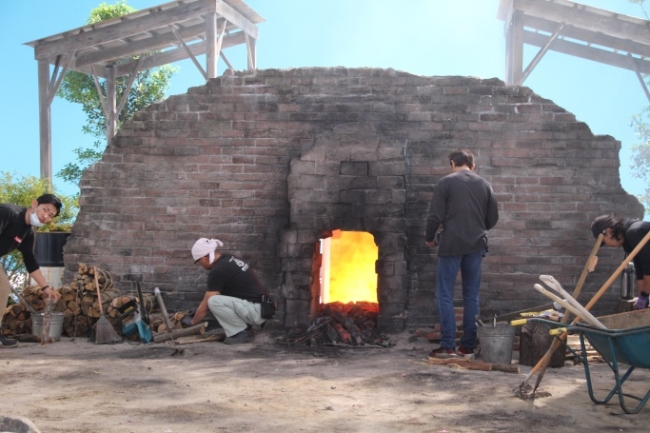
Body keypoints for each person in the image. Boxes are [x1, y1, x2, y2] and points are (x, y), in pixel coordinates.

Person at [425, 149, 499, 359]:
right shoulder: (485, 184)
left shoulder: (446, 183)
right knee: (471, 296)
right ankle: (468, 347)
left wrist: (430, 238)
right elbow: (493, 218)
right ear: (472, 166)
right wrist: (476, 228)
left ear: (452, 163)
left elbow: (435, 216)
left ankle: (448, 346)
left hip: (451, 244)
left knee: (445, 294)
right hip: (476, 245)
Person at [0, 193, 63, 347]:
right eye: (45, 210)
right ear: (34, 204)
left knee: (2, 287)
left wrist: (46, 288)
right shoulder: (9, 213)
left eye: (50, 215)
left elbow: (30, 261)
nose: (45, 216)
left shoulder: (27, 233)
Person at [186, 238, 269, 344]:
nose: (200, 265)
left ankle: (242, 333)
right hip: (263, 307)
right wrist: (197, 311)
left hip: (257, 311)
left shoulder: (218, 271)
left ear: (204, 258)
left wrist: (192, 322)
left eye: (198, 262)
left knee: (213, 301)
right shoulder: (228, 259)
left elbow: (206, 304)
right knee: (218, 296)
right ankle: (246, 328)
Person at [590, 215, 650, 310]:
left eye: (604, 242)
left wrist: (644, 295)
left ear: (608, 232)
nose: (607, 245)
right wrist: (641, 301)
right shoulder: (628, 241)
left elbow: (648, 268)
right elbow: (640, 272)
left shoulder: (634, 233)